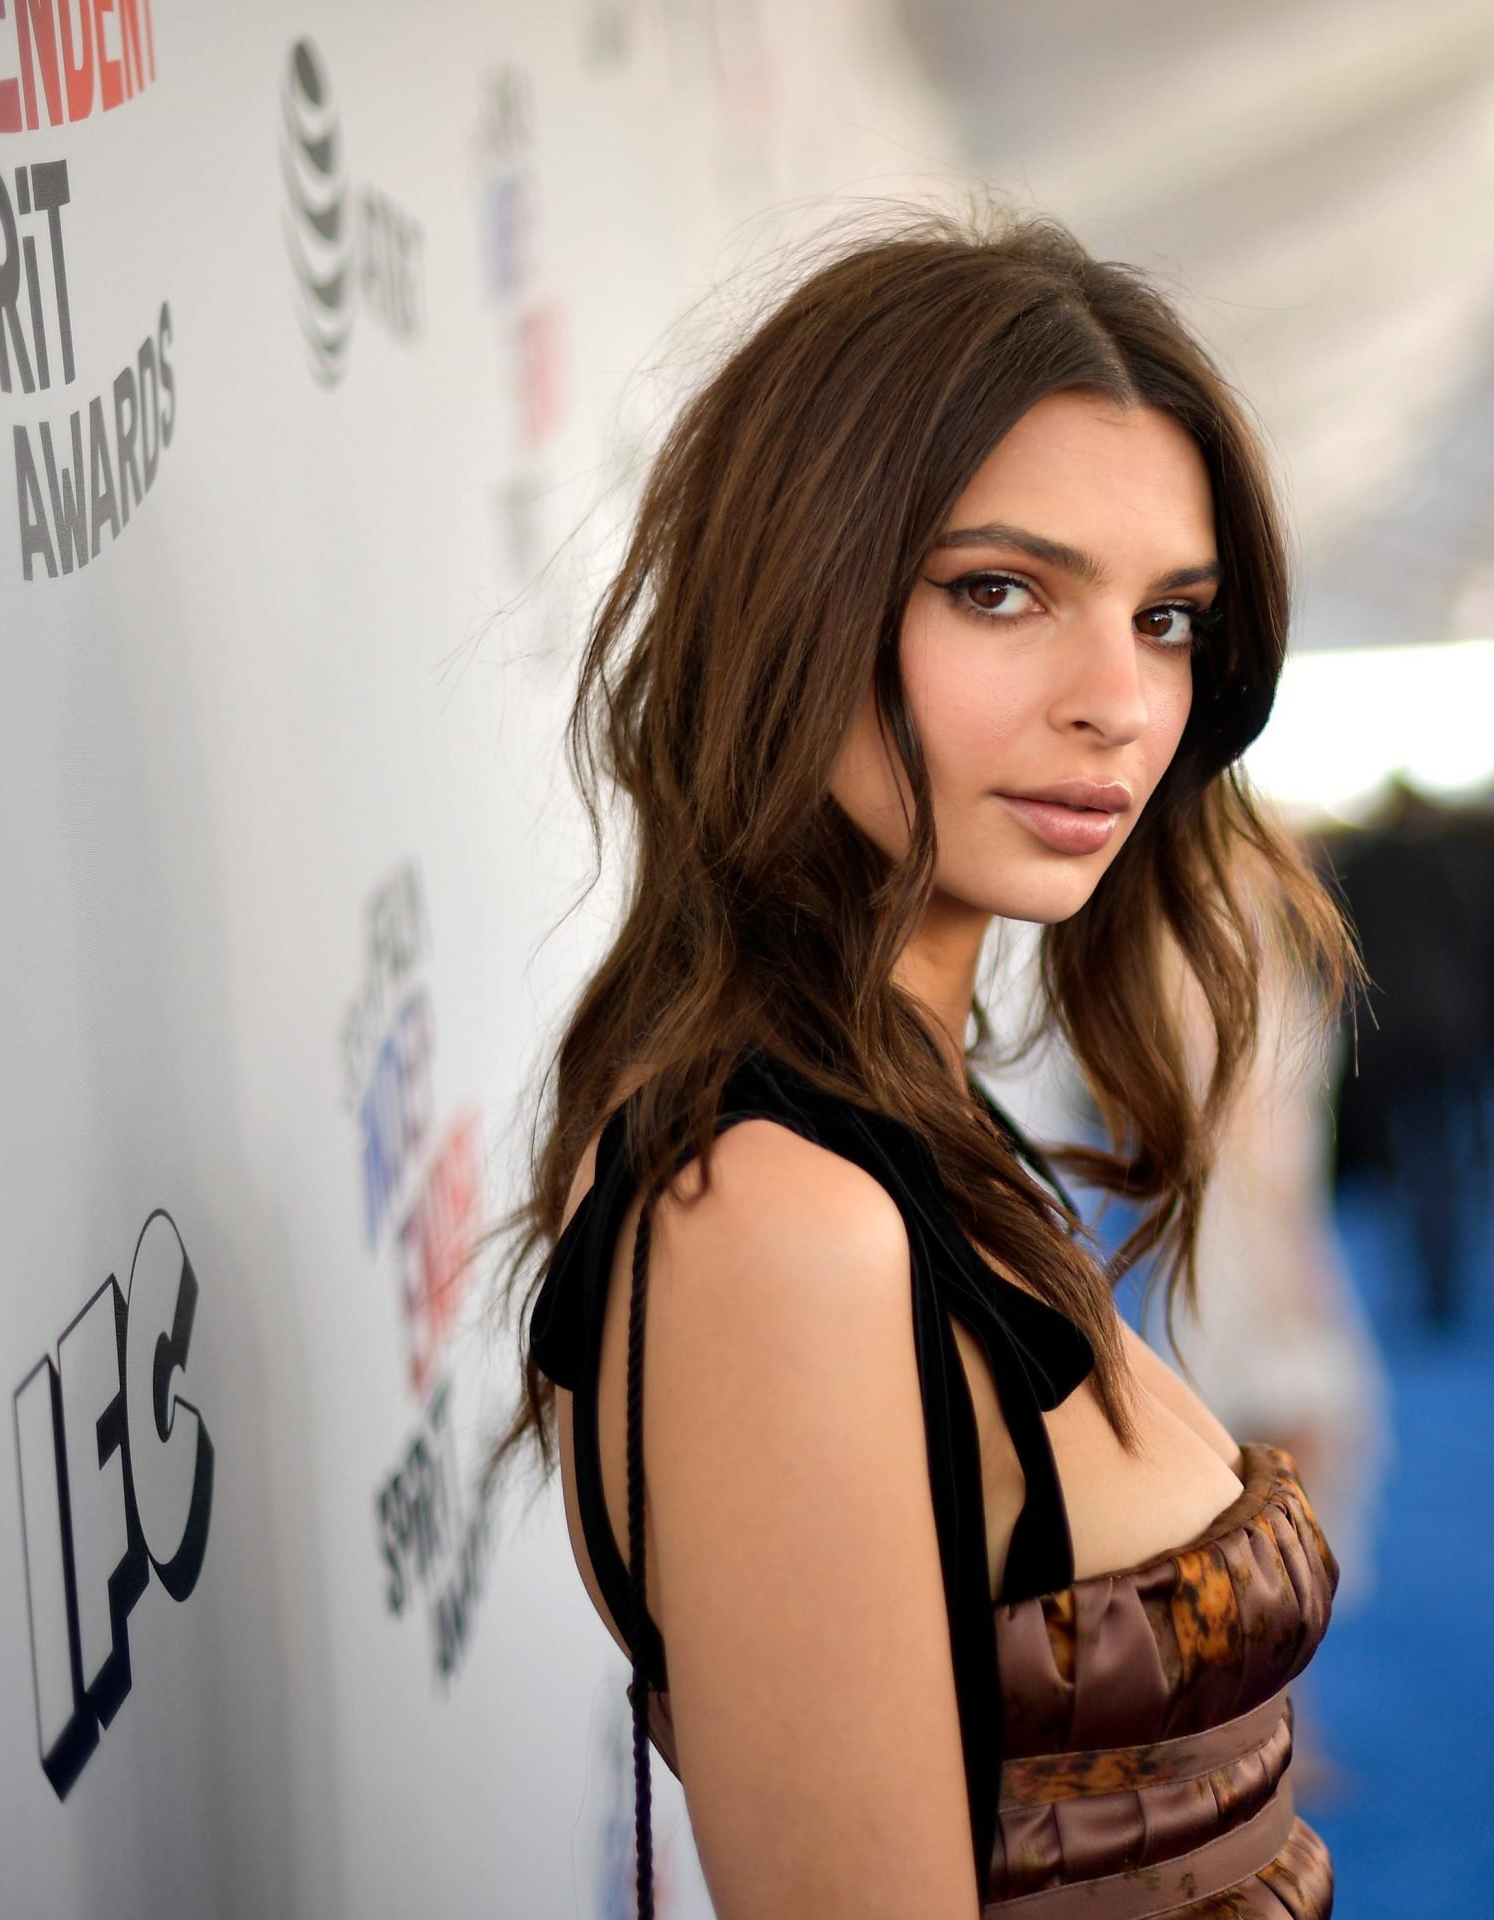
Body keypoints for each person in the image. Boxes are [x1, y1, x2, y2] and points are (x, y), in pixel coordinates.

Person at [491, 211, 1355, 1919]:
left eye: (1169, 618)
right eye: (1001, 592)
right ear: (794, 598)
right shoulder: (775, 1208)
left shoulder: (904, 1117)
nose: (1118, 701)